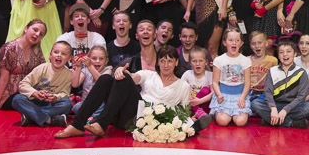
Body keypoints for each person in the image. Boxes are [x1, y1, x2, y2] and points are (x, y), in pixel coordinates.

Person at [55, 45, 211, 138]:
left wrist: (190, 126)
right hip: (123, 114)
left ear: (176, 62)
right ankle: (77, 125)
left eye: (170, 61)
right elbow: (134, 77)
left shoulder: (183, 85)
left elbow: (183, 111)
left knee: (123, 79)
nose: (166, 65)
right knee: (106, 79)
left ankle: (101, 122)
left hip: (142, 121)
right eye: (163, 61)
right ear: (158, 62)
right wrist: (121, 71)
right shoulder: (149, 75)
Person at [0, 19, 47, 111]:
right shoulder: (10, 48)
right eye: (35, 30)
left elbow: (42, 72)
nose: (37, 34)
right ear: (25, 29)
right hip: (10, 95)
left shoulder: (37, 50)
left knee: (54, 99)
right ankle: (47, 115)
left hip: (28, 92)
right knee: (21, 99)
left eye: (41, 34)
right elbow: (3, 78)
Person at [252, 39, 309, 128]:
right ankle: (291, 123)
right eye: (281, 52)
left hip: (293, 106)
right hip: (276, 104)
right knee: (255, 104)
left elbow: (301, 97)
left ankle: (271, 120)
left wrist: (285, 110)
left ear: (295, 54)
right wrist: (273, 108)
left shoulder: (301, 72)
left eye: (288, 51)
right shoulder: (272, 71)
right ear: (278, 55)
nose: (285, 54)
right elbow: (267, 92)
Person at [11, 41, 74, 127]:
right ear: (50, 55)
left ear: (69, 58)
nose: (59, 55)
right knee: (17, 99)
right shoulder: (42, 68)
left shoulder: (69, 74)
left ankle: (31, 116)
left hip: (51, 104)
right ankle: (49, 120)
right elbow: (23, 84)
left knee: (67, 104)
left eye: (63, 54)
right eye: (56, 52)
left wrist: (55, 97)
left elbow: (65, 93)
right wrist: (34, 92)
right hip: (35, 100)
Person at [210, 28, 252, 126]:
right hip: (223, 95)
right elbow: (215, 82)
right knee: (222, 121)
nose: (234, 43)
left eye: (237, 40)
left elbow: (247, 83)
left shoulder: (246, 61)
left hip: (239, 95)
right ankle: (224, 114)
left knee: (240, 122)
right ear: (225, 42)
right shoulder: (219, 60)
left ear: (241, 43)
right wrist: (219, 95)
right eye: (231, 40)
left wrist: (242, 98)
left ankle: (235, 114)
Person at [71, 45, 112, 119]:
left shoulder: (108, 70)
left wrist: (90, 66)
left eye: (101, 59)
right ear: (88, 59)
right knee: (76, 107)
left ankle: (92, 117)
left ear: (106, 61)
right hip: (86, 104)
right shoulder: (85, 70)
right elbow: (74, 84)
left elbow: (102, 82)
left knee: (105, 108)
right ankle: (92, 117)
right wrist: (78, 67)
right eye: (94, 58)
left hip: (100, 104)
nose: (97, 61)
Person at [181, 46, 214, 121]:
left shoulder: (210, 75)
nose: (197, 64)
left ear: (206, 62)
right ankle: (196, 116)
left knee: (205, 90)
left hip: (204, 107)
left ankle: (201, 115)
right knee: (186, 91)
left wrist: (199, 101)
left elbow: (213, 93)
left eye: (201, 61)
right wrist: (190, 97)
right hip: (190, 108)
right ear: (190, 63)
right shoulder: (187, 74)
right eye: (194, 61)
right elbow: (180, 90)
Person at [247, 31, 278, 104]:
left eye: (260, 43)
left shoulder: (272, 60)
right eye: (253, 44)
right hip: (249, 92)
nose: (257, 46)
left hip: (264, 93)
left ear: (266, 43)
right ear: (250, 45)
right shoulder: (246, 60)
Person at [294, 33, 309, 98]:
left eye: (307, 43)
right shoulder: (293, 62)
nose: (303, 46)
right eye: (301, 43)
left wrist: (304, 100)